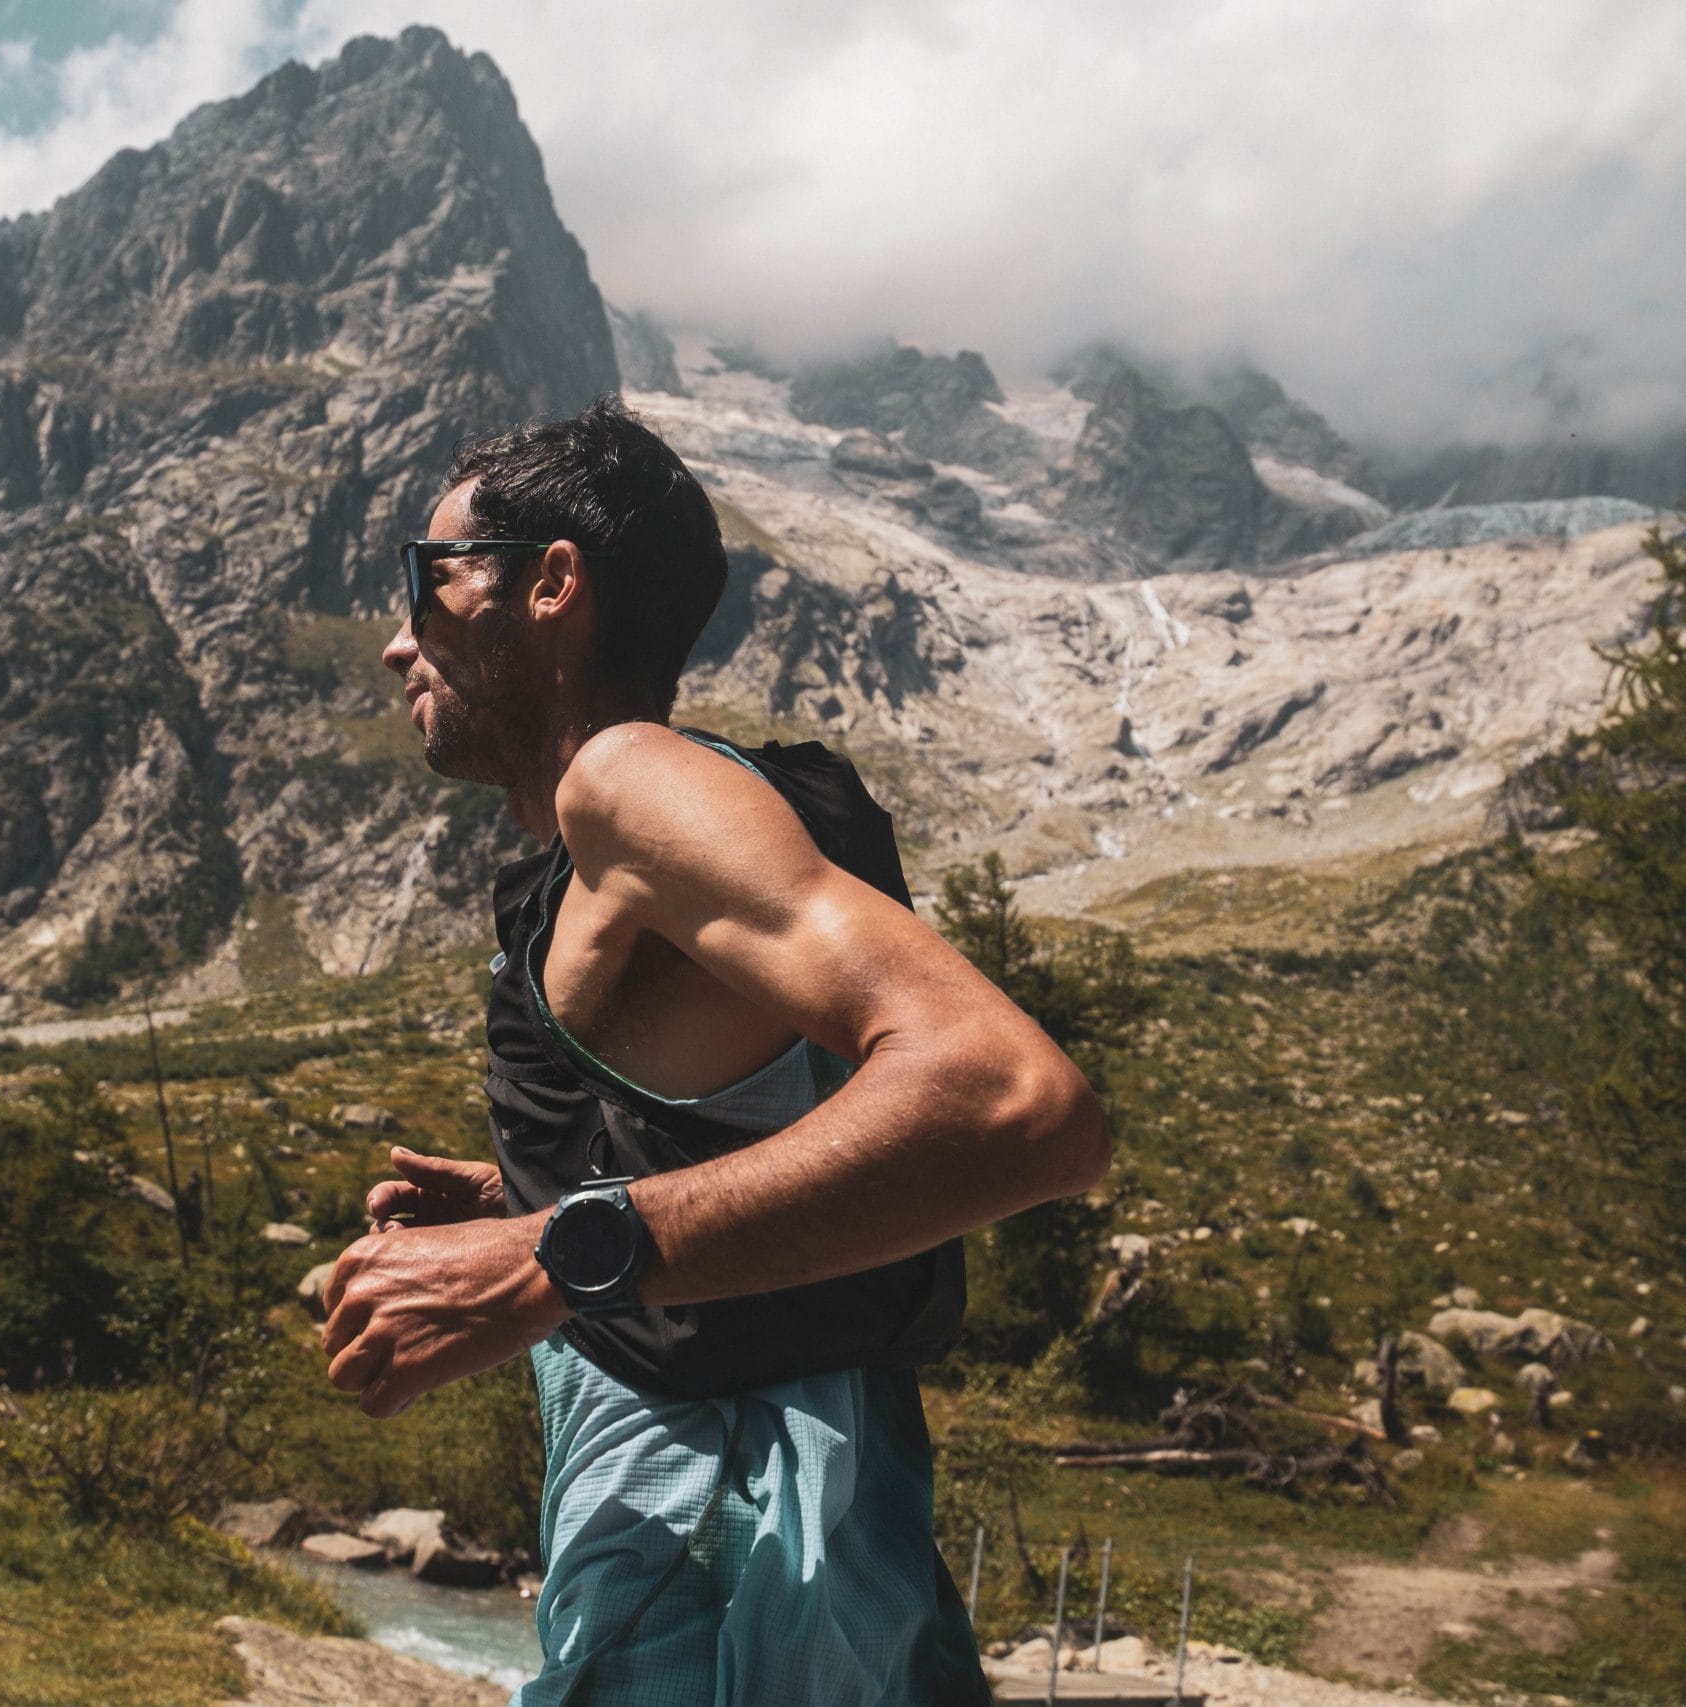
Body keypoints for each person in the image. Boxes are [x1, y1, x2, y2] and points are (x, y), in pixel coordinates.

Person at [321, 397, 1111, 1704]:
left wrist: (555, 1251)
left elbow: (1018, 1103)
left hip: (734, 1555)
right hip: (791, 1551)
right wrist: (533, 1195)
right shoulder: (633, 839)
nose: (397, 638)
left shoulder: (629, 780)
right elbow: (764, 1120)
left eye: (430, 580)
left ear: (552, 586)